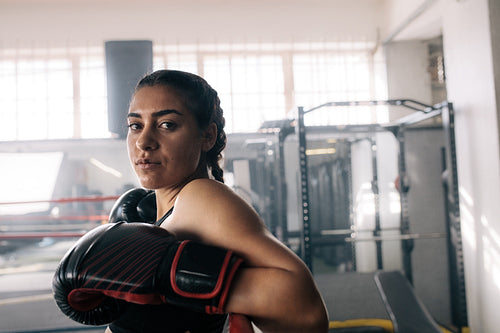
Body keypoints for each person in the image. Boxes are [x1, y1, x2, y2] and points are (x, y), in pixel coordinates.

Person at [53, 69, 329, 333]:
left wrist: (165, 277)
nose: (144, 141)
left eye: (166, 125)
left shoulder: (200, 198)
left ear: (207, 136)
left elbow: (307, 314)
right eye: (135, 125)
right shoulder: (142, 213)